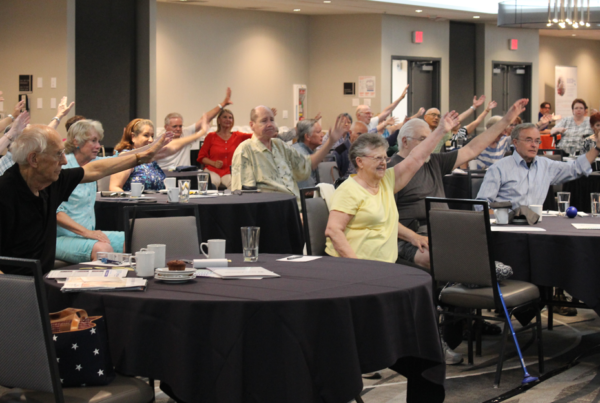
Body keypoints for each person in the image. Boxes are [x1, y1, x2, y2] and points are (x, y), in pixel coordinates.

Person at [0, 122, 172, 276]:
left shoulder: (50, 182)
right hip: (14, 289)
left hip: (42, 281)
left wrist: (142, 157)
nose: (64, 161)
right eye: (58, 154)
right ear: (34, 159)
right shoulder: (5, 192)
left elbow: (93, 170)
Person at [388, 99, 528, 269]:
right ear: (404, 141)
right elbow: (384, 219)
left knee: (488, 243)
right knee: (438, 256)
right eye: (423, 140)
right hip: (410, 237)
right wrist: (413, 237)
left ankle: (480, 276)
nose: (430, 145)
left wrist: (507, 120)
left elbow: (472, 149)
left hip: (444, 230)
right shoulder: (391, 171)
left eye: (430, 139)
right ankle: (475, 274)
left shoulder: (434, 161)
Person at [324, 111, 459, 263]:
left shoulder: (386, 180)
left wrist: (414, 237)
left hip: (385, 266)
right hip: (357, 266)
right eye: (377, 158)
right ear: (360, 162)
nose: (383, 162)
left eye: (384, 157)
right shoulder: (349, 190)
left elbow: (416, 157)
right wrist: (357, 266)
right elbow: (333, 230)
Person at [231, 106, 346, 208]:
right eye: (264, 121)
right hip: (271, 211)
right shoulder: (245, 150)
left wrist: (330, 142)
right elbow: (245, 196)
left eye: (272, 119)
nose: (270, 124)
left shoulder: (280, 146)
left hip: (296, 208)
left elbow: (307, 165)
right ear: (252, 125)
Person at [476, 122, 599, 210]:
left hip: (535, 226)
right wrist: (501, 217)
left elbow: (575, 168)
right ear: (515, 143)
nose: (534, 145)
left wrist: (597, 148)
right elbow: (481, 205)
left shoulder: (546, 165)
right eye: (529, 140)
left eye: (537, 141)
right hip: (506, 227)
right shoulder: (498, 168)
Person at [55, 120, 126, 263]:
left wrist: (153, 148)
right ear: (77, 142)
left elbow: (122, 159)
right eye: (93, 141)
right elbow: (56, 213)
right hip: (59, 239)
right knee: (103, 249)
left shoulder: (93, 164)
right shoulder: (62, 168)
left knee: (132, 238)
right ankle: (96, 285)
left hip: (85, 236)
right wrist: (88, 233)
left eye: (98, 141)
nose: (98, 146)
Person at [110, 116, 208, 191]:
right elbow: (114, 188)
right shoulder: (126, 157)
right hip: (137, 210)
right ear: (133, 137)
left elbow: (172, 147)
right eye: (146, 135)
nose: (151, 140)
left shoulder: (149, 157)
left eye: (152, 136)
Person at [156, 88, 232, 170]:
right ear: (166, 127)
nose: (178, 129)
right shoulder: (159, 141)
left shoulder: (186, 132)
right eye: (174, 126)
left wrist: (223, 104)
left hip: (185, 174)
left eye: (180, 126)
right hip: (165, 175)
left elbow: (205, 119)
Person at [0, 97, 76, 176]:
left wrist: (59, 116)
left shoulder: (25, 160)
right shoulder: (5, 165)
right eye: (29, 137)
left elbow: (43, 136)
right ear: (17, 143)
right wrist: (12, 131)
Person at [196, 108, 251, 189]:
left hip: (230, 172)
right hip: (212, 170)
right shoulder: (211, 136)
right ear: (219, 120)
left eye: (230, 117)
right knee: (212, 183)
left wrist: (265, 122)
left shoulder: (238, 136)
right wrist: (214, 163)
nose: (228, 119)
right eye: (225, 117)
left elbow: (257, 136)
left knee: (236, 187)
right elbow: (201, 157)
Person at [291, 119, 324, 189]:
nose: (322, 135)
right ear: (307, 137)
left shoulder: (307, 150)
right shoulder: (300, 155)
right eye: (318, 132)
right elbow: (308, 190)